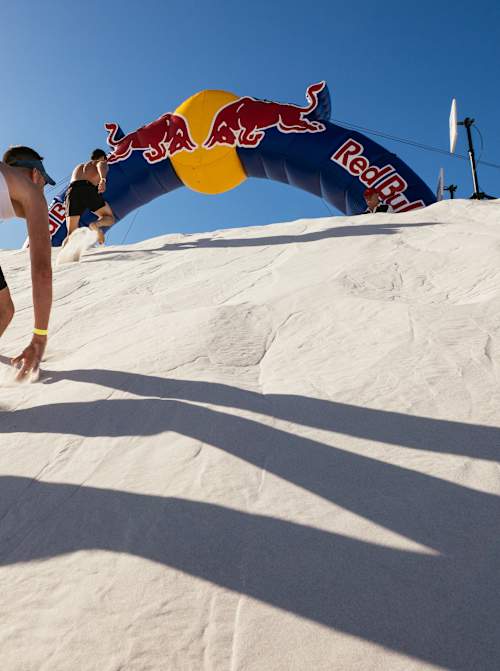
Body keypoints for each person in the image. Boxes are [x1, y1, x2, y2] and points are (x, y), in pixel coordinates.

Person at [1, 146, 55, 379]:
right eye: (43, 184)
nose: (43, 192)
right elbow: (43, 271)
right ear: (36, 175)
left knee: (4, 310)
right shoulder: (31, 191)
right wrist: (39, 336)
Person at [64, 149, 114, 245]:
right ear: (103, 157)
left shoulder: (78, 167)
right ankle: (95, 224)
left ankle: (65, 257)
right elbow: (101, 165)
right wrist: (103, 180)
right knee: (109, 217)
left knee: (71, 234)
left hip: (71, 191)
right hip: (87, 189)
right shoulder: (100, 162)